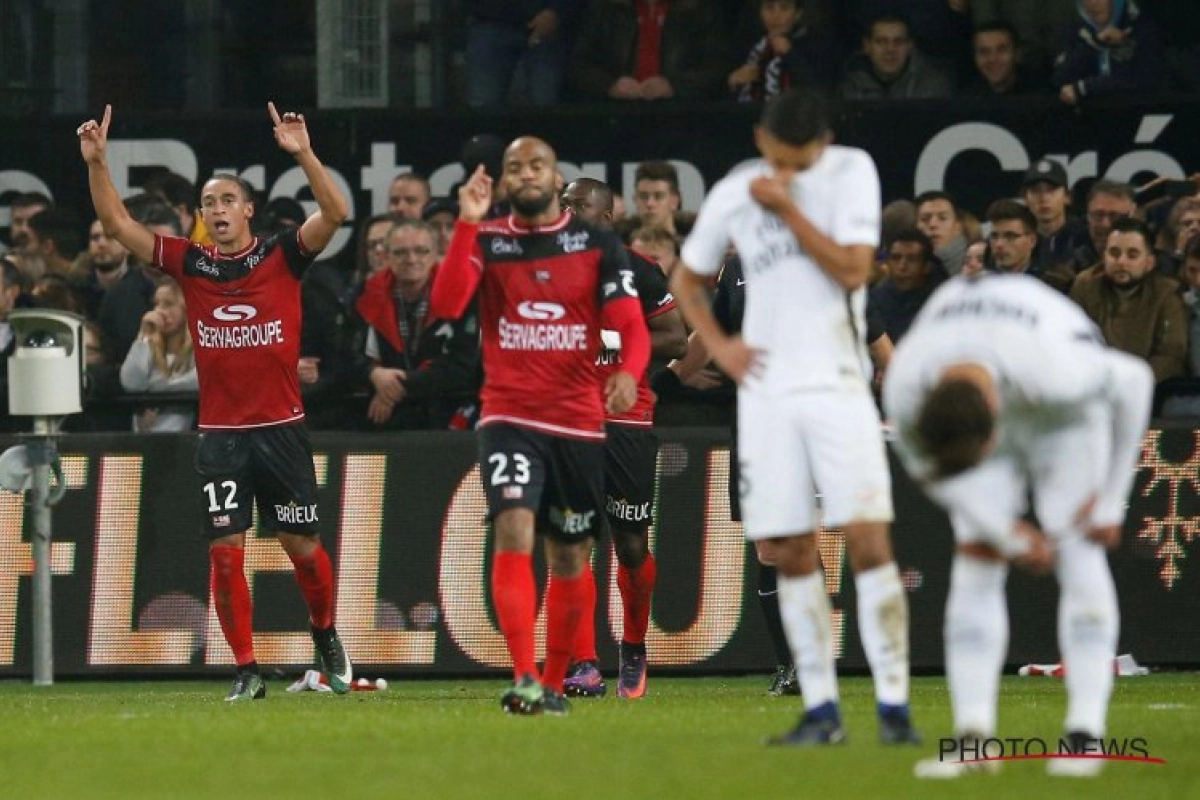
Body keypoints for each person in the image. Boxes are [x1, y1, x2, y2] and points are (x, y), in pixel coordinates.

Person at [78, 102, 353, 701]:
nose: (218, 211)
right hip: (222, 435)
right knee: (225, 554)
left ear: (248, 209)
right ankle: (247, 670)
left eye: (227, 201)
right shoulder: (192, 262)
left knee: (301, 549)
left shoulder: (283, 254)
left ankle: (327, 635)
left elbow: (337, 212)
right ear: (201, 217)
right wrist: (98, 165)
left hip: (281, 428)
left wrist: (303, 153)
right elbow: (122, 227)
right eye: (208, 204)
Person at [670, 88, 918, 746]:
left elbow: (854, 269)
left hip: (838, 385)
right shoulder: (735, 190)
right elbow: (685, 282)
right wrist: (720, 347)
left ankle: (894, 704)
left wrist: (790, 212)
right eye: (782, 161)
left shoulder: (851, 173)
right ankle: (820, 706)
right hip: (766, 400)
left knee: (867, 540)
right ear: (762, 143)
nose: (792, 172)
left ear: (824, 146)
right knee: (786, 550)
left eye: (803, 160)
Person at [884, 273, 1153, 778]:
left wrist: (1110, 504)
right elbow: (931, 468)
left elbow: (1136, 380)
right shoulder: (906, 387)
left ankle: (1084, 735)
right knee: (976, 556)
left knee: (1079, 546)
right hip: (988, 375)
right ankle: (972, 743)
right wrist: (1001, 531)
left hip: (1062, 419)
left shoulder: (1057, 371)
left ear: (993, 417)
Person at [429, 138, 651, 716]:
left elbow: (631, 325)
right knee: (513, 529)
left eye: (536, 166)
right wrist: (465, 225)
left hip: (577, 422)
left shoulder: (598, 245)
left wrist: (628, 371)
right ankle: (525, 676)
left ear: (556, 181)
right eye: (514, 168)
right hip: (508, 414)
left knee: (570, 557)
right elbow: (449, 303)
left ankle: (554, 684)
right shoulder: (490, 239)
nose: (525, 175)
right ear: (503, 183)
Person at [558, 177, 687, 700]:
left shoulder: (638, 269)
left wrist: (607, 341)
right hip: (568, 419)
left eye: (575, 206)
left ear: (606, 218)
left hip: (627, 418)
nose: (564, 213)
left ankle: (633, 646)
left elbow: (675, 337)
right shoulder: (546, 267)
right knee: (573, 541)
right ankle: (583, 662)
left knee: (631, 545)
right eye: (561, 204)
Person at [355, 219, 480, 430]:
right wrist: (373, 375)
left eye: (421, 251)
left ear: (435, 255)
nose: (411, 259)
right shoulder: (365, 295)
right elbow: (345, 355)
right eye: (401, 252)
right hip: (387, 417)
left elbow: (462, 366)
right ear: (386, 257)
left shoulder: (461, 294)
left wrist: (395, 387)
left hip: (448, 409)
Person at [1069, 217, 1187, 386]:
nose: (1121, 262)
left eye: (1132, 255)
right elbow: (1072, 341)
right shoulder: (1085, 286)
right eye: (1114, 253)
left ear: (1149, 262)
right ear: (1104, 256)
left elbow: (1171, 354)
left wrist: (1131, 383)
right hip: (1091, 385)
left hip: (1147, 390)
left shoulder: (1166, 293)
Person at [119, 278, 200, 433]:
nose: (159, 311)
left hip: (187, 441)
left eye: (168, 304)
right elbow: (130, 383)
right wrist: (143, 335)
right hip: (145, 440)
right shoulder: (147, 346)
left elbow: (198, 382)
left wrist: (152, 387)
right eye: (157, 304)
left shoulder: (201, 347)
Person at [728, 0, 836, 101]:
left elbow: (819, 90)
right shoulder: (748, 43)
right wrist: (733, 81)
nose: (776, 16)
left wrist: (790, 54)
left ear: (797, 14)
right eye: (769, 8)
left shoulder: (813, 43)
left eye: (784, 8)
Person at [838, 12, 953, 100]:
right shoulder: (847, 87)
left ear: (910, 46)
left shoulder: (934, 87)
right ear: (867, 46)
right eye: (881, 41)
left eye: (898, 42)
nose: (890, 49)